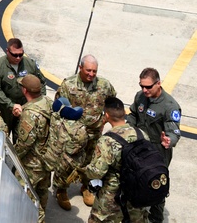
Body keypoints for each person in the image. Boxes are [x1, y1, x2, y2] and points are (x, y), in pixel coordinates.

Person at [54, 55, 117, 210]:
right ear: (80, 67)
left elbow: (112, 102)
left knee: (90, 161)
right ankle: (61, 189)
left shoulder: (104, 85)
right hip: (73, 134)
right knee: (67, 162)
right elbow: (58, 108)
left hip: (94, 133)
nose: (91, 74)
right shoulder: (68, 85)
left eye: (94, 71)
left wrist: (105, 120)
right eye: (88, 70)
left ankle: (86, 187)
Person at [83, 96, 149, 223]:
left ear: (106, 116)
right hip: (137, 193)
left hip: (112, 197)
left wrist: (86, 170)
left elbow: (96, 172)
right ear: (124, 114)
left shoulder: (107, 140)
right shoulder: (141, 134)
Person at [128, 67, 181, 223]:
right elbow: (133, 115)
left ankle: (156, 218)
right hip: (138, 148)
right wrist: (127, 127)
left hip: (158, 152)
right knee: (134, 178)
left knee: (156, 186)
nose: (144, 90)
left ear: (158, 83)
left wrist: (169, 140)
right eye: (141, 86)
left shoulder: (169, 106)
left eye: (148, 87)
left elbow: (174, 131)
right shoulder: (140, 97)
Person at [13, 74, 52, 223]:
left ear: (24, 90)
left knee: (24, 194)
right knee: (42, 191)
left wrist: (14, 157)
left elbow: (25, 144)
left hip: (32, 164)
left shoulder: (30, 114)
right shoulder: (47, 101)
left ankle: (37, 219)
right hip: (46, 158)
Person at [0, 38, 44, 133]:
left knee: (22, 139)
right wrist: (11, 105)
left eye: (20, 54)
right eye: (15, 55)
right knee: (1, 136)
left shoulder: (30, 64)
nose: (18, 58)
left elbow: (41, 83)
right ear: (7, 51)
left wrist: (36, 104)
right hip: (4, 110)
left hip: (24, 110)